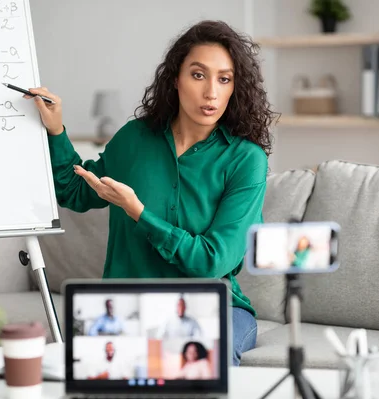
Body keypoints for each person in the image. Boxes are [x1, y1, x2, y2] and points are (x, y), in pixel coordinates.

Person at [26, 20, 276, 366]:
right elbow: (74, 191)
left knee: (201, 359)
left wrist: (139, 213)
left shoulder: (246, 159)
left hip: (213, 310)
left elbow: (213, 261)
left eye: (224, 79)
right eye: (198, 75)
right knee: (76, 372)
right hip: (128, 307)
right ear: (175, 79)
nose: (211, 93)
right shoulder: (135, 139)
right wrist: (56, 130)